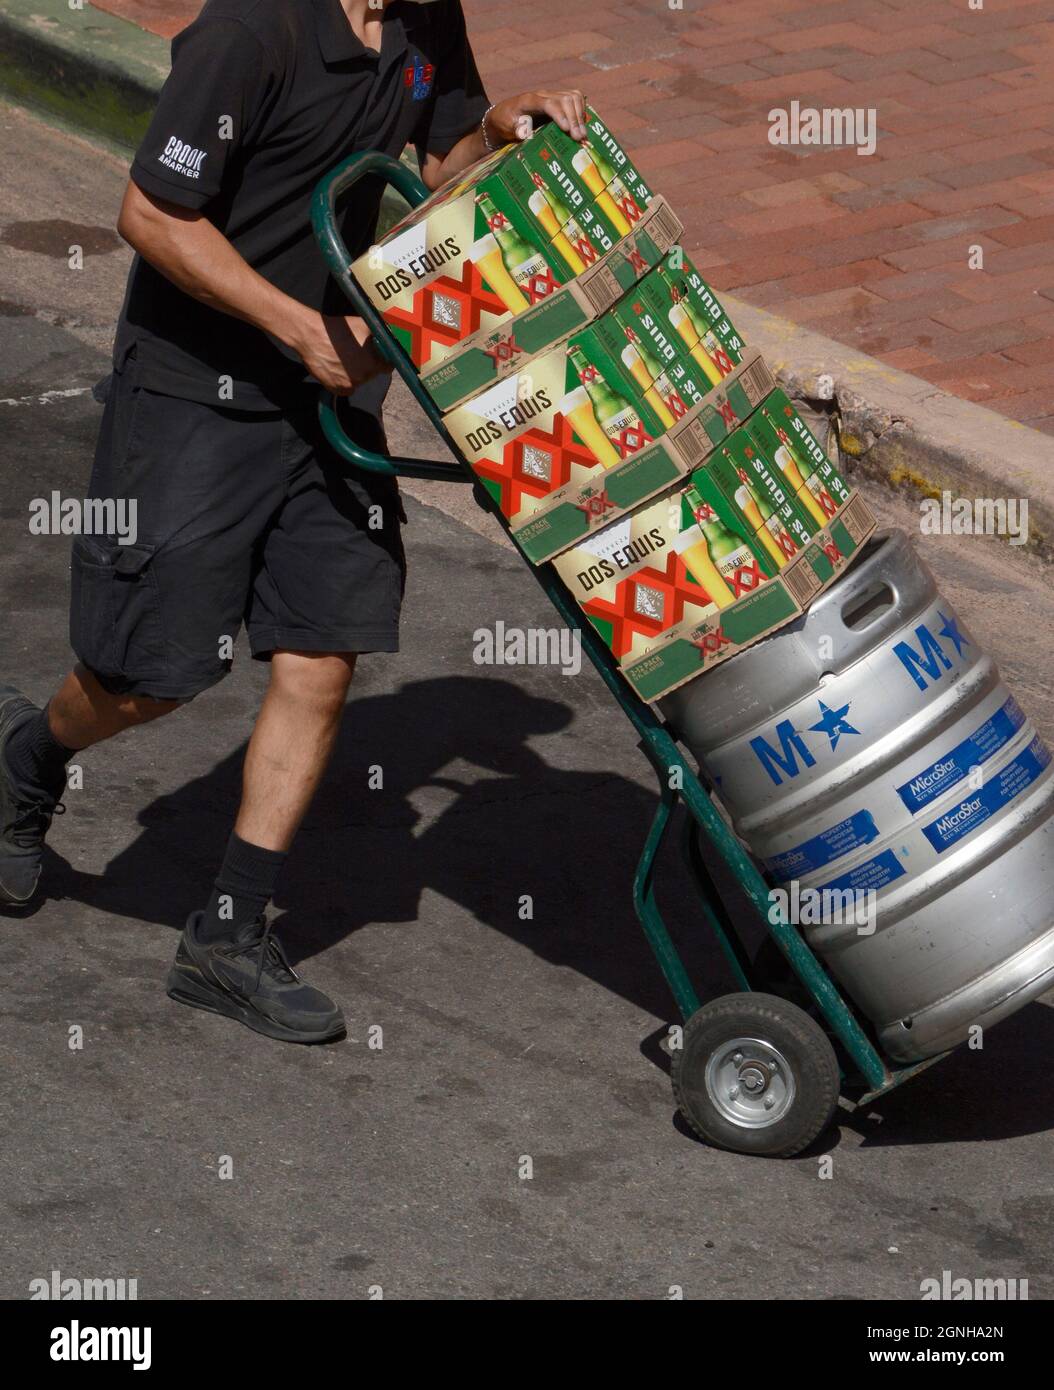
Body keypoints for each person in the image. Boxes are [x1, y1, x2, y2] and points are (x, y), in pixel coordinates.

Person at [0, 0, 587, 1043]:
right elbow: (150, 213)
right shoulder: (251, 31)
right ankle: (26, 760)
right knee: (151, 676)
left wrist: (494, 137)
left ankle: (226, 934)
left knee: (324, 652)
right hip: (196, 394)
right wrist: (299, 327)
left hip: (327, 402)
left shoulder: (419, 19)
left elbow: (436, 165)